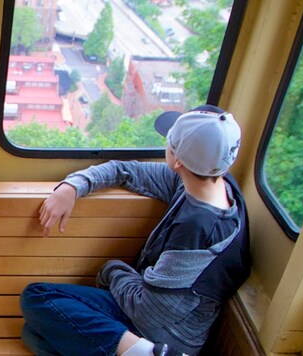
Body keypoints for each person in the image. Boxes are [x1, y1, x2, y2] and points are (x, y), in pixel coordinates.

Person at [20, 105, 251, 356]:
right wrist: (73, 187)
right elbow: (123, 170)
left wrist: (111, 269)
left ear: (177, 160)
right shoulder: (212, 184)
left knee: (36, 297)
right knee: (34, 333)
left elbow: (149, 312)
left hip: (165, 332)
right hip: (153, 310)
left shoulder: (196, 230)